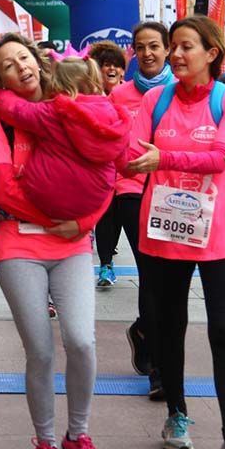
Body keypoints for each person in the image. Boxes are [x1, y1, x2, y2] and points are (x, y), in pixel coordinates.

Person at [0, 33, 106, 449]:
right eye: (9, 66)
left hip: (72, 242)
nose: (22, 67)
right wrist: (54, 216)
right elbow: (4, 190)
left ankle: (79, 434)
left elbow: (102, 172)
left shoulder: (71, 103)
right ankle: (47, 441)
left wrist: (84, 222)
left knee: (81, 341)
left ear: (38, 60)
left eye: (24, 58)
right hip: (18, 242)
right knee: (39, 349)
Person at [122, 15, 225, 449]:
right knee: (169, 326)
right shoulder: (155, 100)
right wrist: (147, 159)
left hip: (220, 231)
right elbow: (129, 153)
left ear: (212, 53)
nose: (175, 55)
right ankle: (177, 413)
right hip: (163, 230)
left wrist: (163, 157)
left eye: (185, 47)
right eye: (173, 46)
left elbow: (222, 156)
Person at [0, 57, 131, 303]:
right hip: (86, 209)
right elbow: (123, 166)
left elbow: (13, 109)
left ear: (62, 88)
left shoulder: (57, 112)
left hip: (44, 198)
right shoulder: (114, 115)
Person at [104, 21, 173, 400]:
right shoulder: (119, 95)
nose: (147, 53)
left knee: (165, 272)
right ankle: (160, 372)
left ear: (167, 50)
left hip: (176, 192)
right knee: (150, 266)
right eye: (140, 47)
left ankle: (146, 329)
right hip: (131, 188)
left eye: (154, 47)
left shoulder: (181, 93)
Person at [88, 40, 130, 289]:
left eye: (117, 65)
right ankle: (105, 265)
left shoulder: (134, 94)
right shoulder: (89, 97)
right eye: (106, 65)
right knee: (106, 217)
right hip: (101, 171)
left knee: (125, 219)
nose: (112, 69)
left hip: (131, 171)